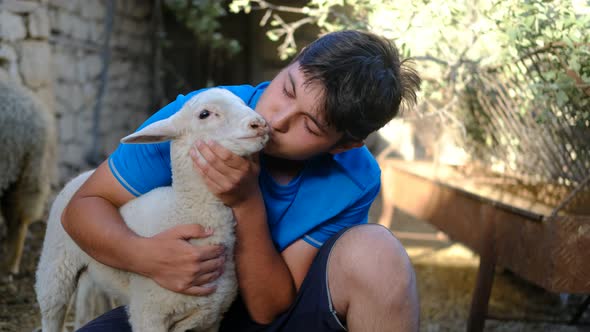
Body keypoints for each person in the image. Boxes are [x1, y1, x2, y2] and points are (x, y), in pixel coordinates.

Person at [64, 30, 421, 331]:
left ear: (343, 145)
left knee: (378, 254)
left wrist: (247, 203)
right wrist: (145, 256)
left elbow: (268, 309)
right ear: (291, 61)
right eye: (287, 89)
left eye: (310, 126)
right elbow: (81, 208)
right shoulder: (203, 114)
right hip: (179, 308)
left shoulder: (353, 177)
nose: (277, 119)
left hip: (280, 317)